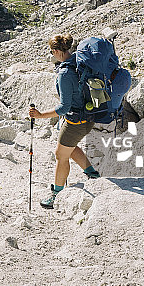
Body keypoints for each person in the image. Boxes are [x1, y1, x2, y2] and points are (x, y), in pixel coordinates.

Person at [28, 33, 101, 209]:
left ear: (58, 51)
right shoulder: (80, 61)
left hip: (75, 122)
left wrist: (40, 115)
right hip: (89, 116)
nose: (52, 54)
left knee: (61, 155)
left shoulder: (65, 73)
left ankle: (56, 195)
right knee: (69, 147)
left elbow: (64, 107)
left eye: (52, 51)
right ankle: (92, 174)